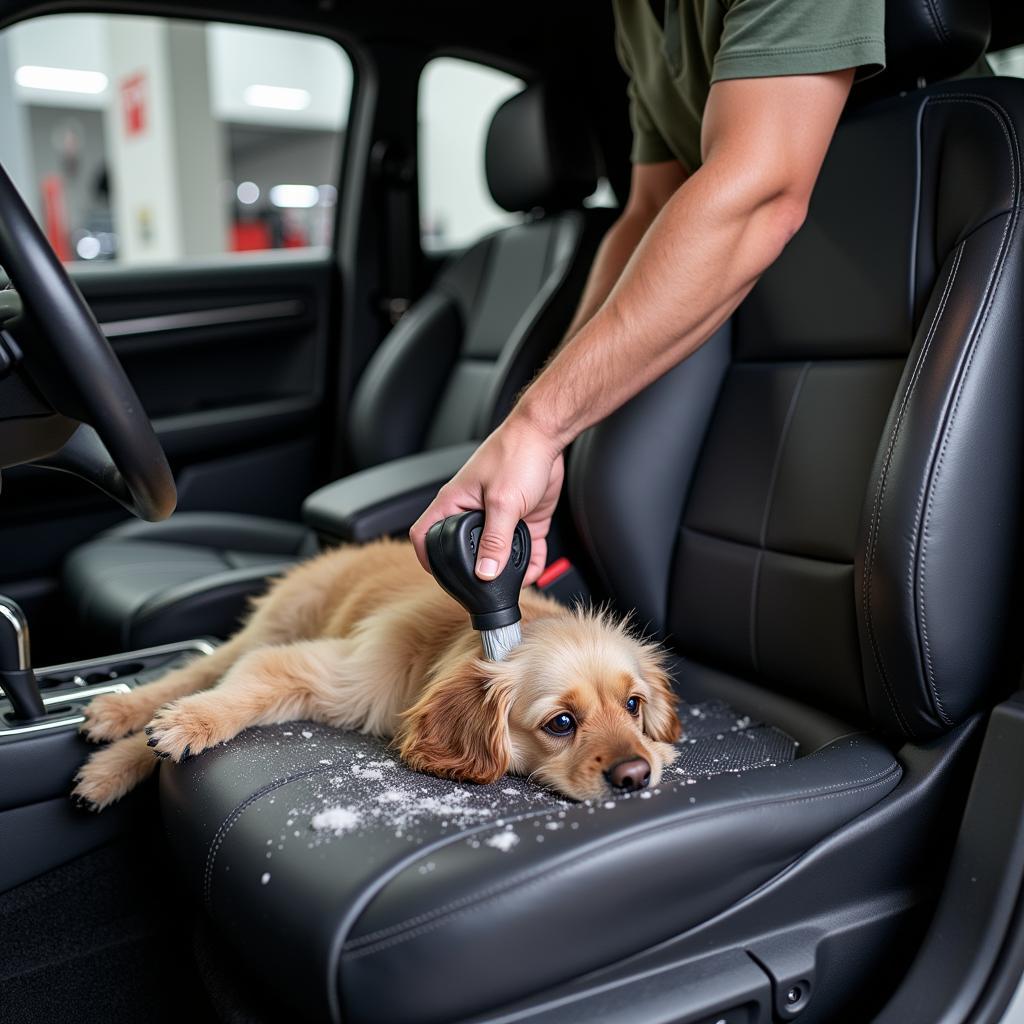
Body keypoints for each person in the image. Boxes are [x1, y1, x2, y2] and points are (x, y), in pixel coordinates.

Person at [411, 0, 885, 584]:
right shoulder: (635, 12)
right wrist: (551, 423)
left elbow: (764, 189)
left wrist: (539, 425)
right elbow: (651, 209)